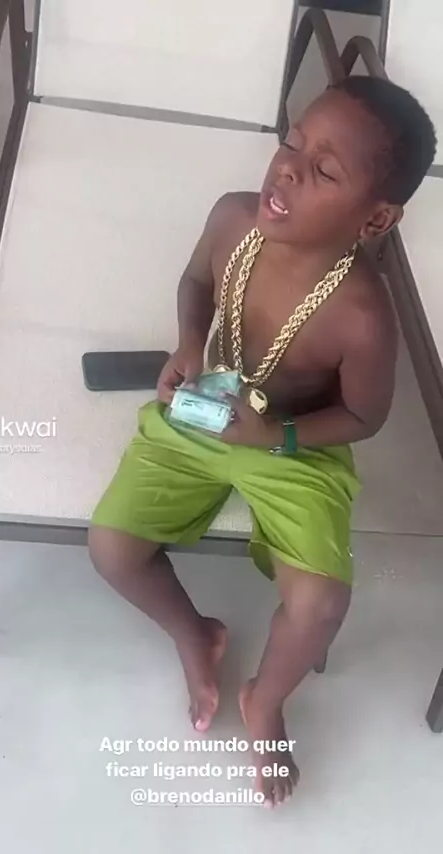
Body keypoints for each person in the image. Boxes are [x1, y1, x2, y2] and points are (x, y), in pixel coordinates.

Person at [89, 76, 436, 808]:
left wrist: (277, 435)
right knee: (111, 549)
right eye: (292, 143)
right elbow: (194, 282)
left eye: (324, 170)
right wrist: (189, 344)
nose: (288, 169)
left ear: (375, 218)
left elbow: (363, 416)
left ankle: (266, 700)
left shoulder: (362, 314)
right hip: (207, 407)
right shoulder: (232, 220)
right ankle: (195, 634)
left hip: (294, 442)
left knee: (321, 604)